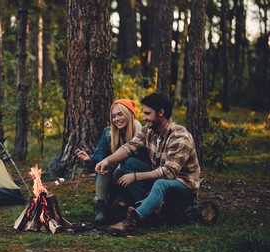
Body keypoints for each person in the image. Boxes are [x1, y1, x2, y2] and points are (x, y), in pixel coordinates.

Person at [95, 93, 200, 236]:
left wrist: (136, 176)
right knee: (128, 162)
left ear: (161, 113)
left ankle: (132, 220)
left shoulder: (180, 136)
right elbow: (129, 147)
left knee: (161, 183)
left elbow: (169, 173)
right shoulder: (148, 130)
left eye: (147, 113)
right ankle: (145, 209)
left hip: (183, 184)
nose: (143, 117)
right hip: (158, 176)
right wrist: (107, 160)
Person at [75, 99, 141, 224]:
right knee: (103, 168)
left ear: (129, 114)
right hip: (113, 175)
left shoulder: (140, 132)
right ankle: (101, 207)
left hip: (133, 176)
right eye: (114, 116)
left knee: (120, 167)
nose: (116, 119)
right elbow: (101, 154)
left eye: (120, 114)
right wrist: (90, 159)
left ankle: (123, 205)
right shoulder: (108, 132)